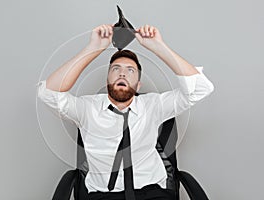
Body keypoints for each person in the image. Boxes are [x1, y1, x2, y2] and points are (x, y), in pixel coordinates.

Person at [37, 24, 214, 200]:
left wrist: (159, 47)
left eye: (130, 71)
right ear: (107, 80)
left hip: (153, 193)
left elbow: (201, 88)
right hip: (103, 196)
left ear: (138, 84)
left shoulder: (154, 105)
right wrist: (93, 49)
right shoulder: (86, 109)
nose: (122, 74)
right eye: (116, 69)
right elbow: (48, 93)